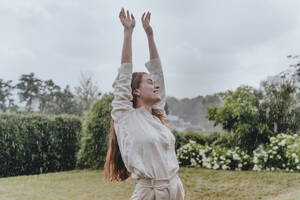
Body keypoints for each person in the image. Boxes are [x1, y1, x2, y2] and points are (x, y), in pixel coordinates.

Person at [103, 8, 185, 200]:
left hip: (175, 189)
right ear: (136, 91)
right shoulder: (125, 116)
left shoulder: (155, 117)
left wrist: (150, 36)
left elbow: (158, 74)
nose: (156, 86)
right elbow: (124, 75)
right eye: (149, 82)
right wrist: (128, 33)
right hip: (150, 193)